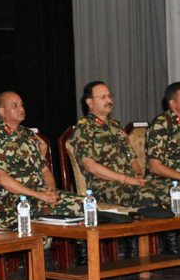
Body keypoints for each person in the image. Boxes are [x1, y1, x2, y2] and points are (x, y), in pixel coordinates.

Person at [69, 81, 173, 209]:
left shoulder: (116, 125)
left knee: (171, 190)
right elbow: (90, 166)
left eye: (110, 96)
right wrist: (126, 179)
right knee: (148, 195)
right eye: (103, 97)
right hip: (105, 186)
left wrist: (139, 176)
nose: (109, 100)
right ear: (90, 102)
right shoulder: (84, 127)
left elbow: (131, 157)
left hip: (130, 183)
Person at [0, 91, 81, 226]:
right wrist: (39, 195)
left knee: (86, 203)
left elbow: (45, 171)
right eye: (15, 106)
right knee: (71, 208)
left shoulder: (28, 135)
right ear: (2, 111)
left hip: (40, 194)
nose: (21, 109)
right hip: (14, 200)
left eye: (22, 105)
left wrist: (51, 192)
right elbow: (2, 179)